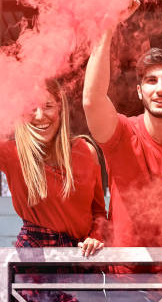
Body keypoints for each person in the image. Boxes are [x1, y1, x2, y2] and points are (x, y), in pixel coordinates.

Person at [0, 79, 106, 301]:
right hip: (32, 258)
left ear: (60, 108)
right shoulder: (11, 153)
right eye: (31, 108)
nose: (40, 116)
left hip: (81, 259)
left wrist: (96, 237)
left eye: (48, 106)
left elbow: (98, 213)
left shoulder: (86, 151)